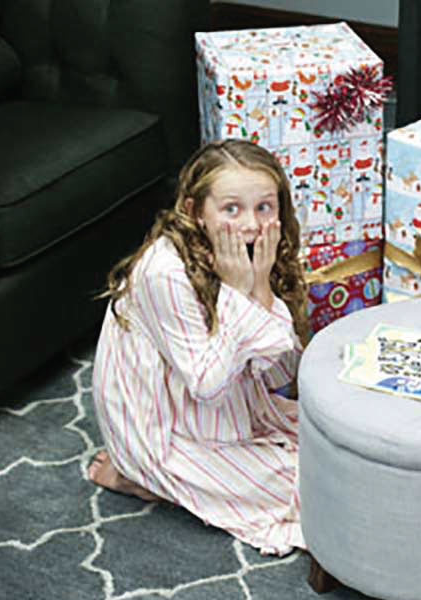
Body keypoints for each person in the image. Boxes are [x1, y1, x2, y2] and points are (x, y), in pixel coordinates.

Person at [87, 139, 310, 554]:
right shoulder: (164, 273)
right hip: (170, 426)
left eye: (265, 207)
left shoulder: (259, 252)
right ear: (194, 211)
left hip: (233, 407)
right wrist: (240, 293)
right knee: (317, 490)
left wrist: (259, 283)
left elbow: (280, 378)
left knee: (337, 446)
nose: (251, 224)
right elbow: (208, 387)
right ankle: (143, 474)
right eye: (231, 209)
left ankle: (185, 485)